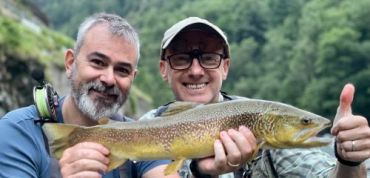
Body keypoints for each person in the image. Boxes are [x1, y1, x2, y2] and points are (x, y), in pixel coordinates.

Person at [139, 17, 370, 177]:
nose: (196, 70)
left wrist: (349, 161)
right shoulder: (143, 129)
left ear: (226, 68)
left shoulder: (259, 119)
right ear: (163, 69)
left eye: (209, 58)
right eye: (181, 58)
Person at [0, 13, 179, 178]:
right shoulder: (18, 133)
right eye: (98, 62)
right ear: (70, 63)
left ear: (132, 78)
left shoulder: (142, 135)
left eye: (122, 70)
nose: (109, 79)